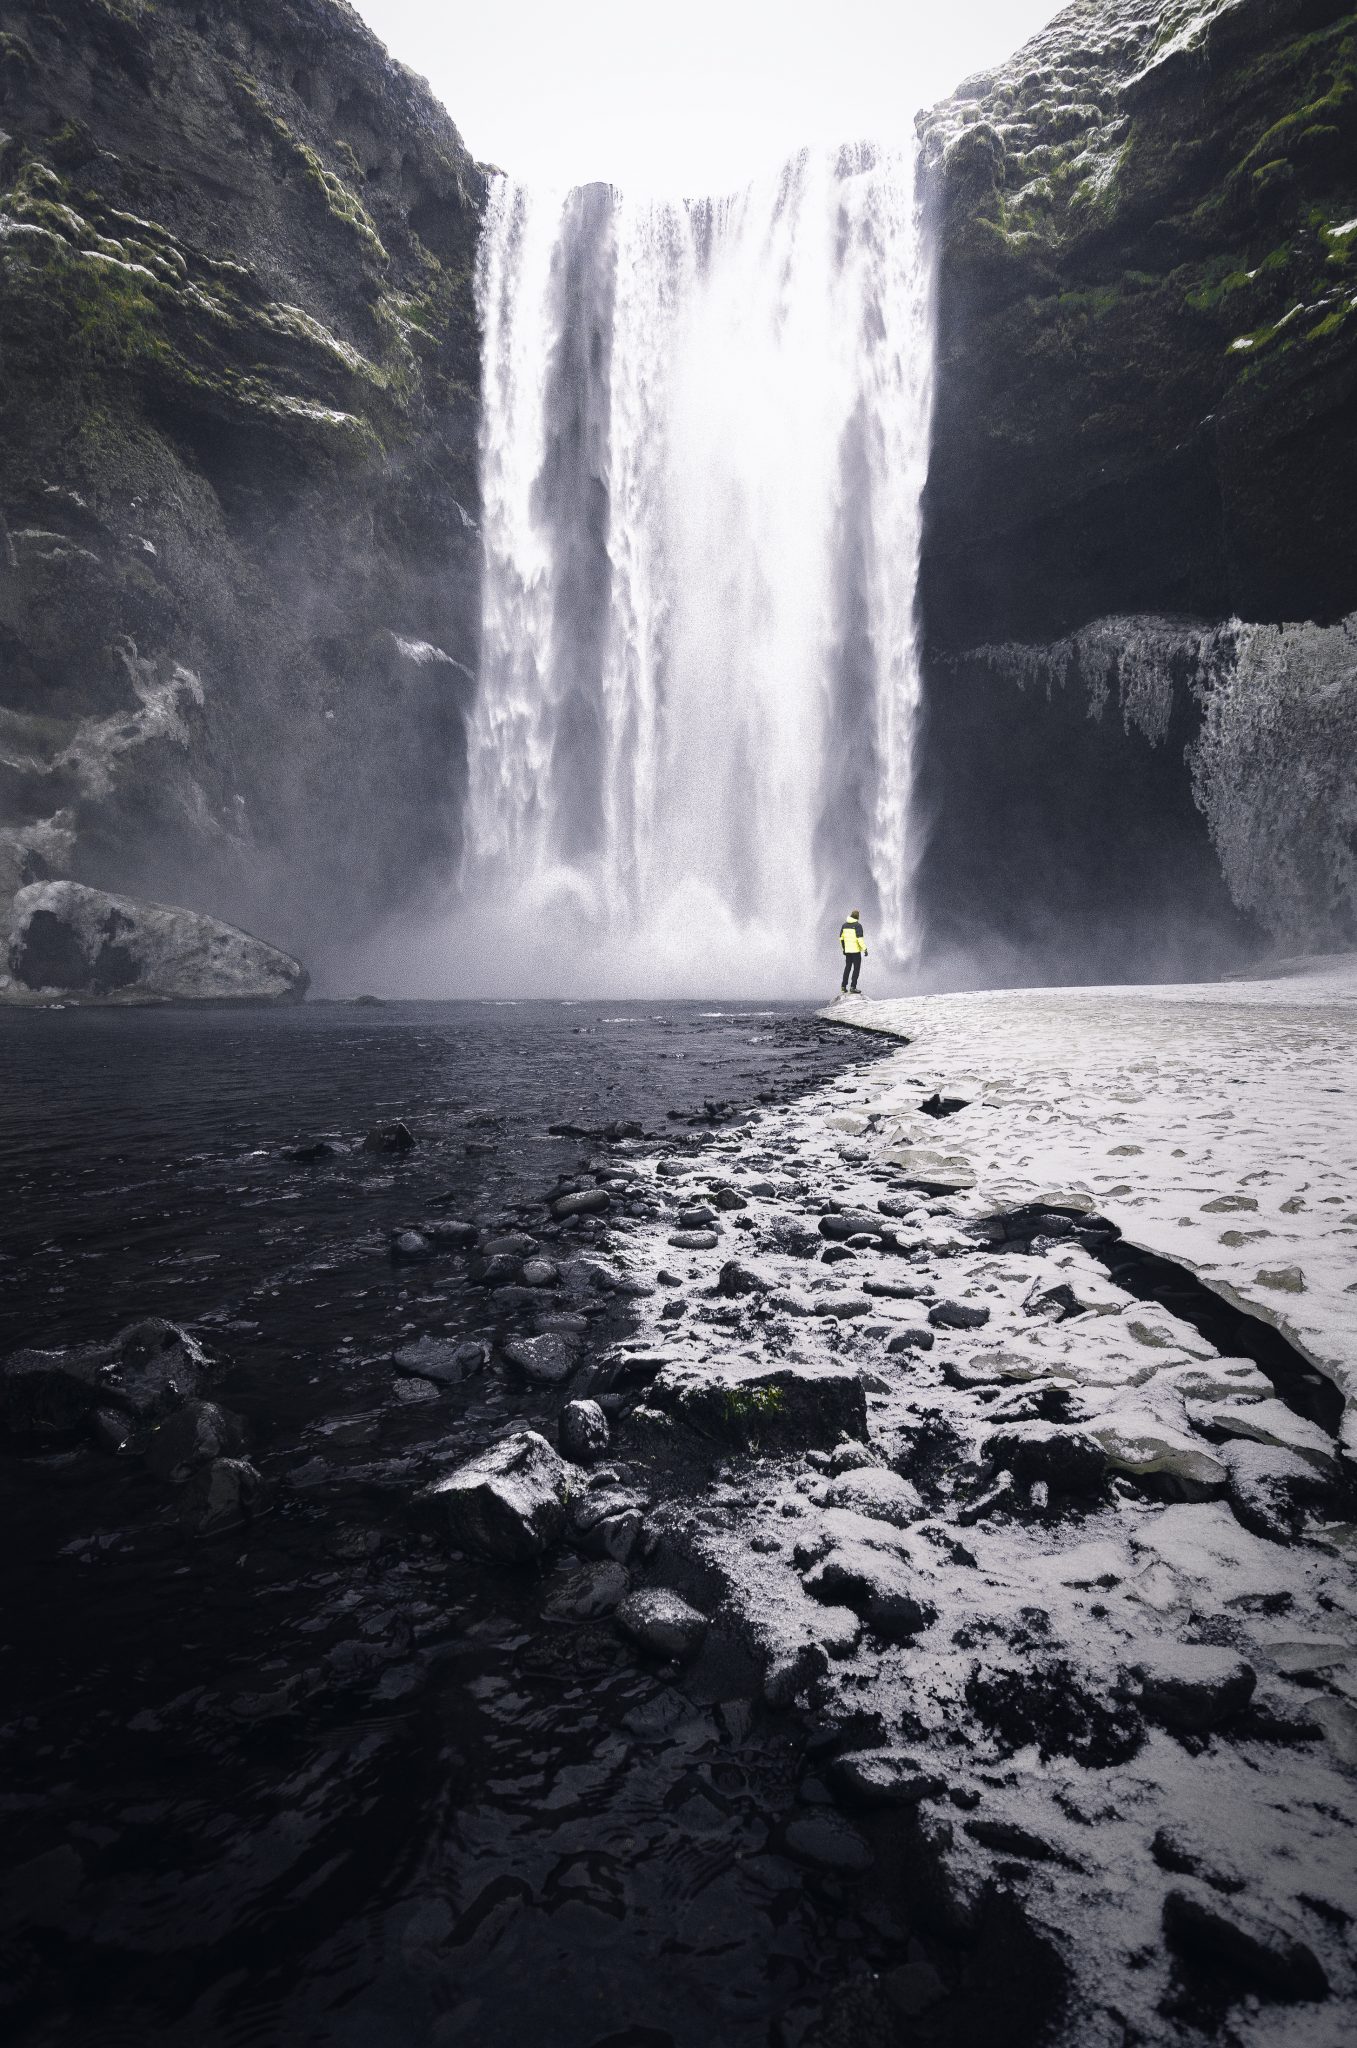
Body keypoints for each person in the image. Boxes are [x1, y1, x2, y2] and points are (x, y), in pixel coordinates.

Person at [839, 909, 867, 993]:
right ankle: (853, 987)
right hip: (855, 951)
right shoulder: (858, 926)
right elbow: (860, 939)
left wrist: (844, 949)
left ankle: (843, 987)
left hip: (847, 951)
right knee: (856, 969)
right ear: (858, 916)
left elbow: (841, 939)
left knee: (847, 968)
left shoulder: (844, 925)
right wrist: (865, 949)